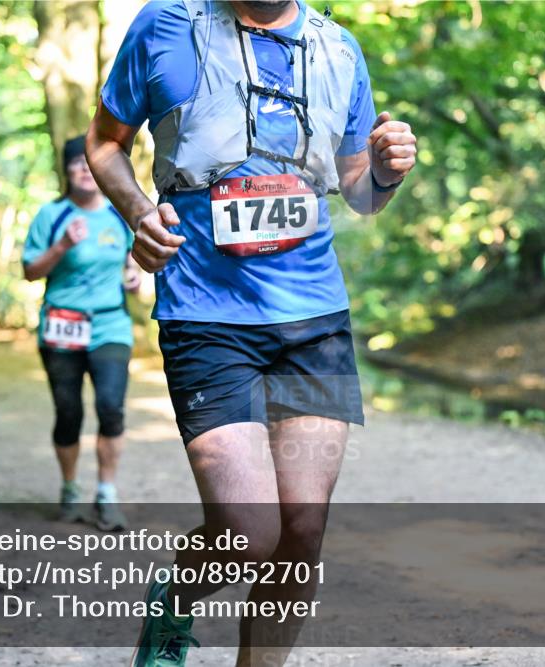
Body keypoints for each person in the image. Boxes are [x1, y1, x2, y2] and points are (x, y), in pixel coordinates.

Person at [88, 1, 416, 664]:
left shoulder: (339, 48)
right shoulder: (166, 26)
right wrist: (137, 212)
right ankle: (176, 598)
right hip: (207, 315)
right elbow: (105, 143)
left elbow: (358, 190)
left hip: (314, 321)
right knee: (248, 530)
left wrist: (386, 167)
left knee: (301, 531)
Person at [23, 135, 141, 532]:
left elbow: (132, 257)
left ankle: (106, 492)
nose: (83, 170)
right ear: (67, 170)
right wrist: (61, 246)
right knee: (68, 412)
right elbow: (29, 271)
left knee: (111, 406)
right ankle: (70, 488)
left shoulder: (118, 214)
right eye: (76, 163)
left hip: (110, 324)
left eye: (90, 163)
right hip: (61, 326)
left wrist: (133, 274)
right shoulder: (51, 215)